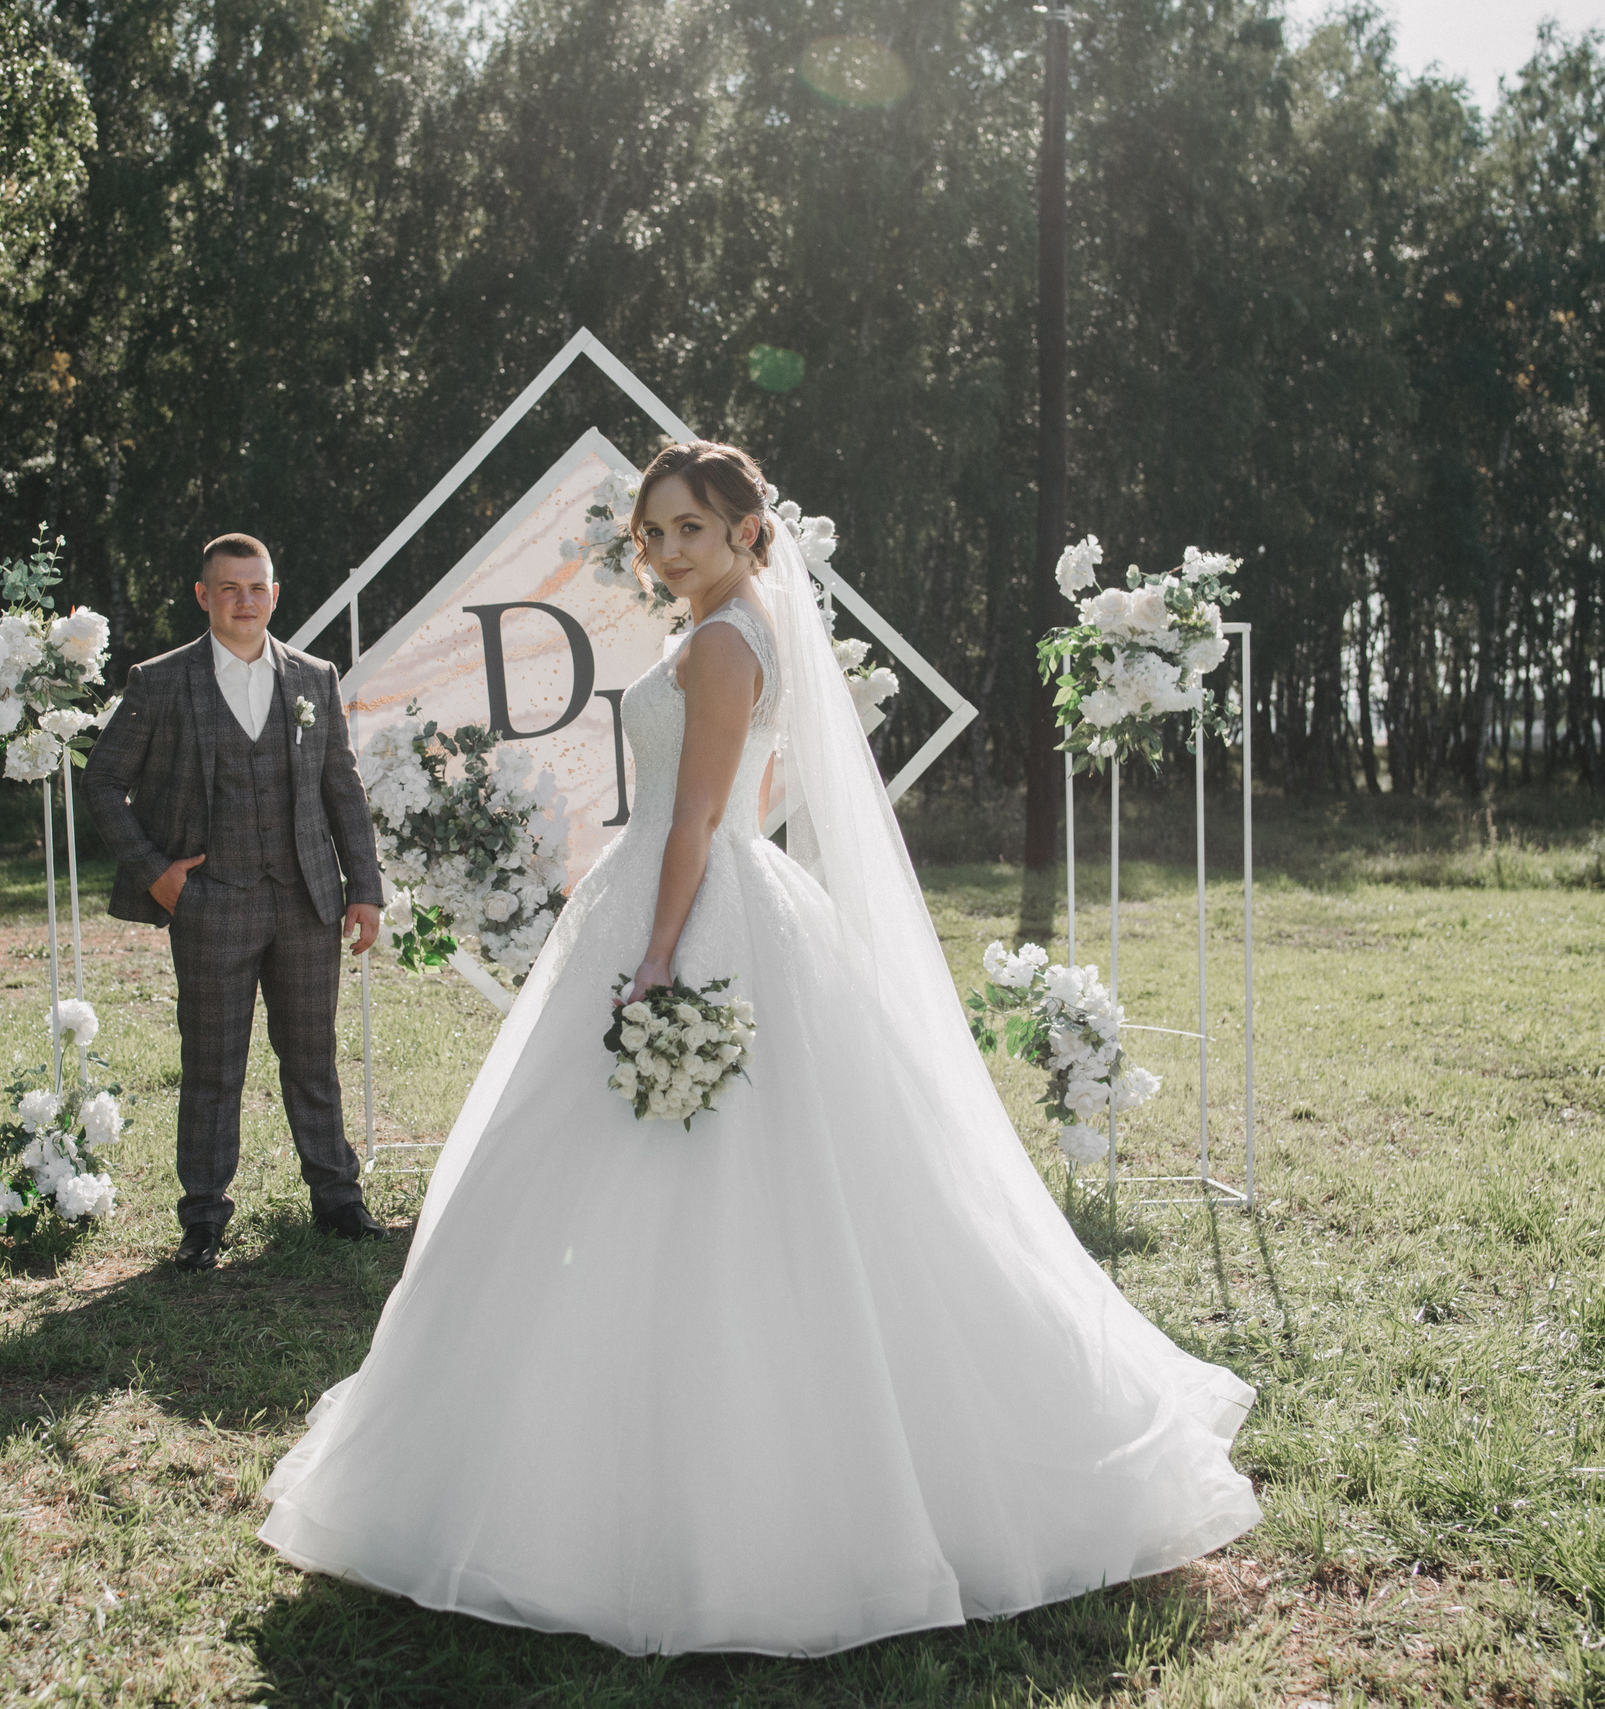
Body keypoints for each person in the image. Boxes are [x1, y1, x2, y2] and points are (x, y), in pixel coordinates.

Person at [257, 445, 1261, 1656]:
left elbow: (697, 814)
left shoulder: (729, 639)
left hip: (694, 908)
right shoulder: (724, 629)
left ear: (746, 534)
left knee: (712, 1163)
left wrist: (656, 952)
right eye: (652, 533)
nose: (666, 551)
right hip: (699, 893)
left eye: (690, 528)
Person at [85, 533, 387, 1268]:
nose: (245, 601)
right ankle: (204, 1216)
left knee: (312, 1056)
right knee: (213, 1062)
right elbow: (100, 783)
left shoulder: (314, 677)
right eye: (229, 588)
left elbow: (341, 788)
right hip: (211, 901)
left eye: (257, 587)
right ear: (204, 596)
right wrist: (158, 871)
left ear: (275, 594)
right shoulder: (161, 681)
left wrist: (366, 888)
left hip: (308, 897)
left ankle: (337, 1196)